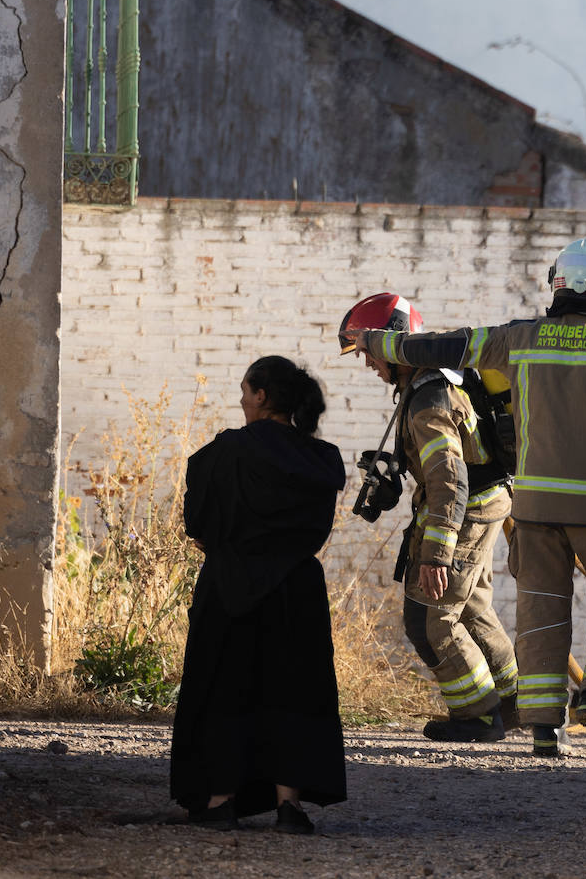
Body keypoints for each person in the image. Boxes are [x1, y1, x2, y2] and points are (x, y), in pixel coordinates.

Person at [349, 236, 586, 756]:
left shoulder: (518, 338)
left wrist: (379, 342)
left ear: (556, 283)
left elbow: (439, 346)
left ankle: (546, 730)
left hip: (534, 510)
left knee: (541, 612)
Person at [170, 355, 347, 834]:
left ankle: (220, 800)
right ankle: (289, 807)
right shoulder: (322, 459)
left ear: (262, 396)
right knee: (293, 693)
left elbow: (198, 527)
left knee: (225, 690)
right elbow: (316, 531)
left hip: (230, 587)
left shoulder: (224, 452)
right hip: (297, 592)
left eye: (246, 391)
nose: (242, 400)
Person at [339, 293, 519, 743]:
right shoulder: (430, 385)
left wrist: (437, 555)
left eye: (368, 352)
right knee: (471, 607)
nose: (367, 364)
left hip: (464, 510)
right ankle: (513, 701)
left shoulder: (428, 400)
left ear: (391, 346)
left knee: (429, 620)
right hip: (480, 504)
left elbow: (450, 480)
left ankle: (477, 715)